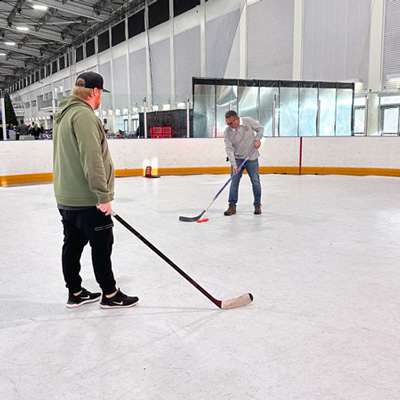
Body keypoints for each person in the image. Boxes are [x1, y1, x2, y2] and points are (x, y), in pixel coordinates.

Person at [53, 71, 139, 309]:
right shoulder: (84, 116)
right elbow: (92, 159)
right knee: (101, 245)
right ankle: (110, 295)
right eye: (101, 93)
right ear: (96, 92)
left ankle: (75, 292)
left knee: (72, 243)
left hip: (66, 196)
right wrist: (102, 196)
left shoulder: (63, 114)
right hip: (88, 198)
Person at [223, 110, 263, 216]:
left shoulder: (248, 121)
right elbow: (229, 148)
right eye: (227, 123)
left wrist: (257, 139)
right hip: (237, 159)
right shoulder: (227, 132)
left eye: (231, 123)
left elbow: (260, 129)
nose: (229, 126)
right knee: (234, 182)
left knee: (255, 181)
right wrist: (234, 163)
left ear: (237, 119)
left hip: (252, 158)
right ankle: (232, 206)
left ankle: (257, 205)